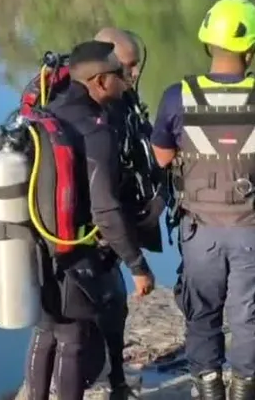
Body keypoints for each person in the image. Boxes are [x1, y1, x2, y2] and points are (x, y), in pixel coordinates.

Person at [150, 0, 255, 400]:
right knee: (248, 317)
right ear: (251, 49)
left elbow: (161, 156)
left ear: (207, 45)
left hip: (199, 229)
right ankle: (243, 391)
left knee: (202, 314)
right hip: (254, 225)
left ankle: (210, 389)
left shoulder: (177, 96)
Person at [23, 40, 156, 400]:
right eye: (119, 73)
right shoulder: (95, 130)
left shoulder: (51, 109)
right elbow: (106, 210)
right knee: (73, 340)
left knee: (48, 329)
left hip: (38, 245)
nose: (127, 79)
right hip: (74, 251)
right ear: (99, 81)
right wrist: (138, 265)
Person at [92, 27, 164, 399]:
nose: (133, 75)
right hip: (92, 230)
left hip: (115, 222)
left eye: (136, 66)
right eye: (127, 67)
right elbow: (99, 194)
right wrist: (137, 263)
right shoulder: (91, 113)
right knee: (78, 321)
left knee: (113, 308)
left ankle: (117, 380)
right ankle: (109, 381)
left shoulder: (122, 98)